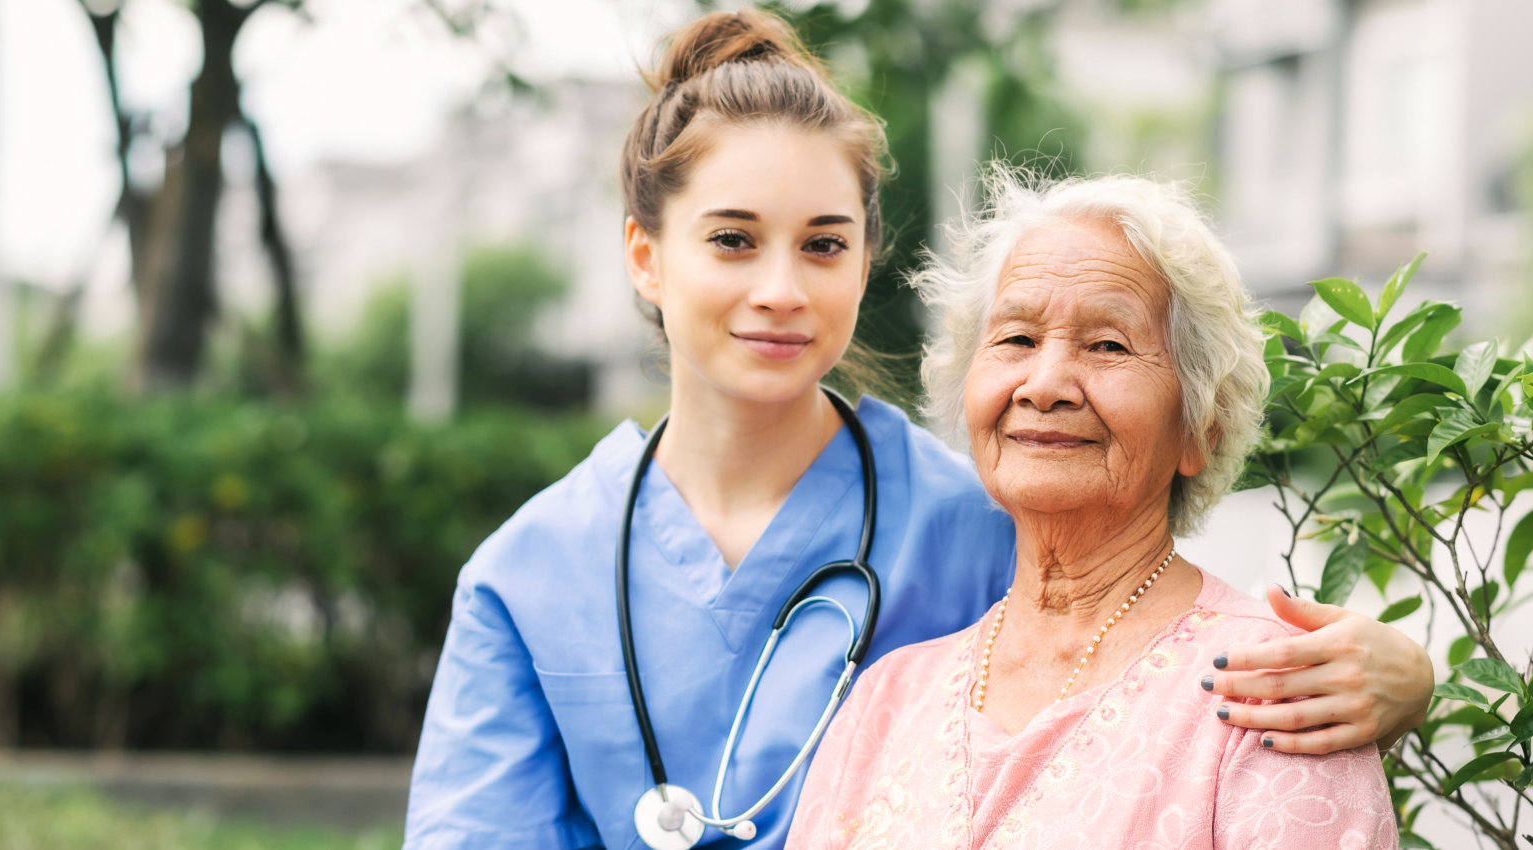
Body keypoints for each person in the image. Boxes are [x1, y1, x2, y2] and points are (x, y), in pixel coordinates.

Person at [404, 9, 1427, 849]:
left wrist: (1407, 675)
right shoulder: (530, 574)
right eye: (731, 240)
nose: (778, 289)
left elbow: (1155, 665)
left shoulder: (981, 517)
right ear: (643, 253)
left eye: (823, 244)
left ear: (865, 260)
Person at [785, 172, 1397, 848]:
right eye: (1016, 339)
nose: (1043, 385)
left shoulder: (1275, 690)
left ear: (1202, 427)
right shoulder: (886, 700)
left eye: (1108, 345)